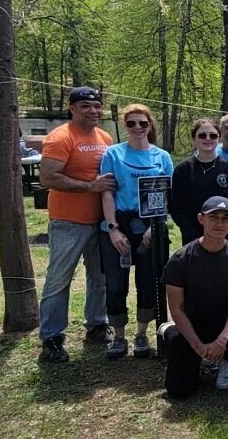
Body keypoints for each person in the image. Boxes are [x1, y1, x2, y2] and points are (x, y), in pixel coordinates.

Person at [38, 86, 115, 363]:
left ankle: (96, 324)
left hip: (101, 221)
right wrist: (89, 186)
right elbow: (48, 177)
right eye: (85, 106)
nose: (93, 111)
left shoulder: (104, 136)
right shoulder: (60, 137)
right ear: (72, 109)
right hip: (68, 222)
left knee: (101, 277)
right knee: (60, 279)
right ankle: (52, 337)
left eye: (97, 106)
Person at [97, 103, 174, 360]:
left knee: (148, 282)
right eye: (131, 123)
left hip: (151, 227)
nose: (138, 127)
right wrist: (112, 229)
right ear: (125, 126)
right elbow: (106, 192)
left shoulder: (161, 157)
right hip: (118, 224)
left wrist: (155, 227)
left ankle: (142, 334)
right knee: (116, 285)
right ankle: (119, 336)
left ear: (150, 125)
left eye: (143, 123)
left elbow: (166, 194)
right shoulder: (113, 154)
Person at [160, 196, 228, 397]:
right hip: (191, 321)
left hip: (222, 321)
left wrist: (222, 340)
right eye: (213, 217)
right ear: (201, 218)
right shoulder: (180, 259)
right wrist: (197, 346)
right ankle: (196, 357)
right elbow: (176, 308)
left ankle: (224, 360)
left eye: (225, 218)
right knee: (179, 392)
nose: (219, 223)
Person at [170, 118, 228, 247]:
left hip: (225, 236)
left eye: (213, 135)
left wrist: (223, 229)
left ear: (219, 138)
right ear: (194, 139)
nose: (208, 139)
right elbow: (176, 205)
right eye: (202, 135)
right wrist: (191, 231)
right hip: (193, 237)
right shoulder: (183, 169)